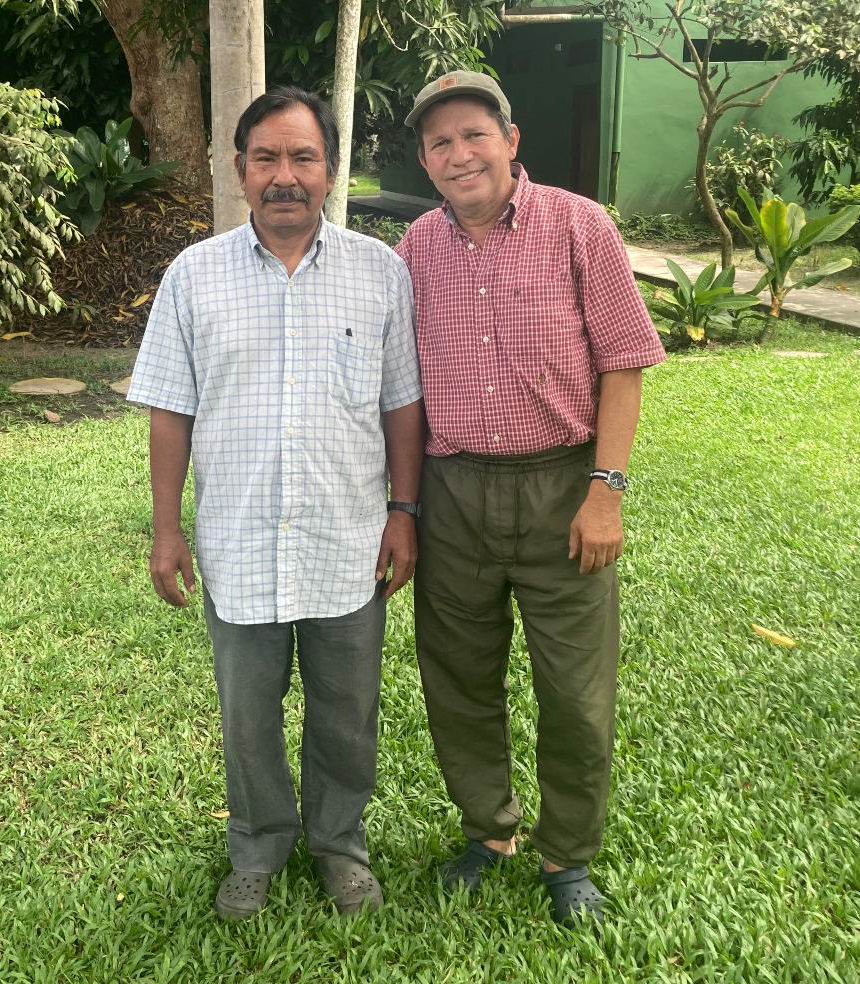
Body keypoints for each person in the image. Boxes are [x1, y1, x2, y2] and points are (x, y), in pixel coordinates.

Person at [128, 87, 424, 922]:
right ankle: (256, 844)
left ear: (331, 171)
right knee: (248, 715)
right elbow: (169, 409)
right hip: (238, 541)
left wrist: (405, 511)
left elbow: (401, 404)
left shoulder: (381, 273)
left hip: (347, 540)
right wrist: (165, 527)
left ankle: (340, 848)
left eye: (302, 158)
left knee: (346, 710)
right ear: (238, 168)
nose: (284, 176)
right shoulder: (194, 276)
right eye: (266, 158)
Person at [395, 71, 666, 926]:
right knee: (457, 680)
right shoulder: (413, 248)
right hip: (453, 494)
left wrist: (605, 491)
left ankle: (567, 856)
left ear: (510, 141)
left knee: (575, 692)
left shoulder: (580, 225)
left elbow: (622, 360)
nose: (457, 153)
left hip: (563, 488)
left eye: (473, 133)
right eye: (439, 143)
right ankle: (489, 832)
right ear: (425, 161)